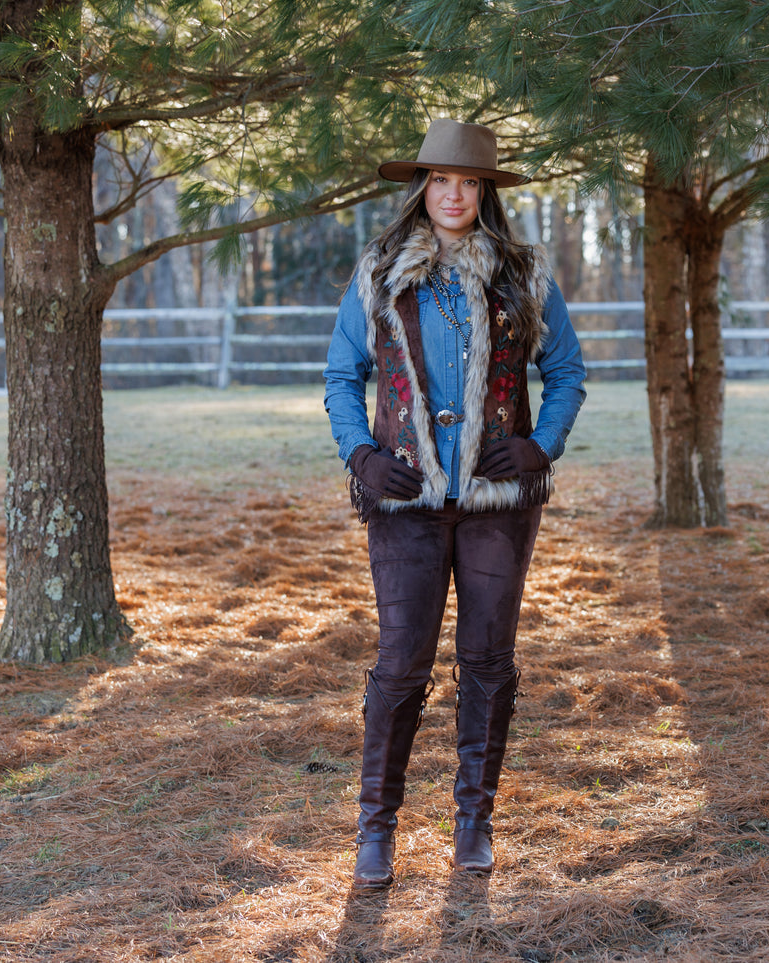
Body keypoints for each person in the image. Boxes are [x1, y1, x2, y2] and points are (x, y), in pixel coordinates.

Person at [323, 118, 587, 889]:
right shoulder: (377, 271)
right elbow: (343, 377)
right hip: (403, 501)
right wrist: (361, 455)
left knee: (487, 662)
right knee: (401, 664)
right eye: (441, 180)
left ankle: (474, 820)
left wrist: (541, 443)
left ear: (484, 192)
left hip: (497, 502)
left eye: (467, 182)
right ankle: (376, 826)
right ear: (422, 188)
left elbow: (567, 371)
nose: (453, 194)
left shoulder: (523, 275)